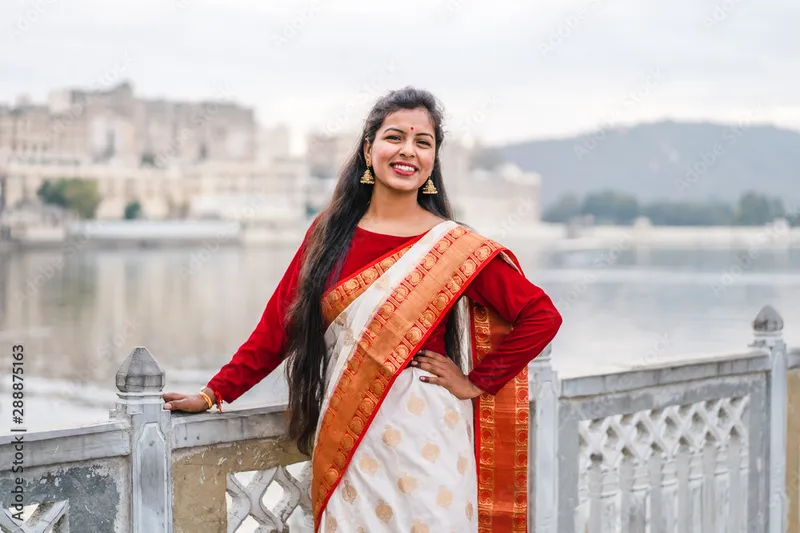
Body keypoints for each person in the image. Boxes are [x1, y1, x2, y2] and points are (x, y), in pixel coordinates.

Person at [162, 87, 563, 533]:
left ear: (433, 161)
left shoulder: (452, 246)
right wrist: (214, 393)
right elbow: (279, 326)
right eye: (395, 137)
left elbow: (542, 316)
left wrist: (474, 383)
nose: (408, 150)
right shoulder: (330, 232)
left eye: (423, 142)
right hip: (351, 437)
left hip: (428, 432)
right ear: (368, 149)